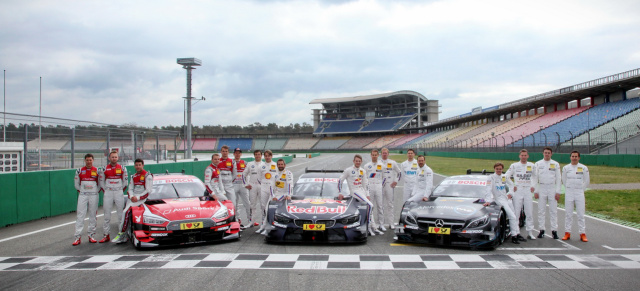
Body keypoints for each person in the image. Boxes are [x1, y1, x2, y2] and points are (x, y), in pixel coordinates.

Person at [112, 159, 152, 244]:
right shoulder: (133, 176)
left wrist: (137, 198)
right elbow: (130, 189)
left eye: (139, 165)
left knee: (126, 213)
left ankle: (121, 234)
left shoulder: (147, 176)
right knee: (124, 213)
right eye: (136, 165)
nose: (138, 167)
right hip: (132, 199)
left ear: (143, 165)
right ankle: (124, 234)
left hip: (142, 200)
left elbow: (148, 191)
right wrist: (131, 196)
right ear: (134, 166)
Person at [483, 162, 524, 244]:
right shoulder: (491, 177)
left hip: (506, 199)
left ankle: (516, 233)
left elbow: (512, 185)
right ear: (494, 169)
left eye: (500, 169)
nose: (499, 170)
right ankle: (514, 236)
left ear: (502, 169)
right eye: (497, 169)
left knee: (514, 216)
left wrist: (510, 194)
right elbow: (488, 189)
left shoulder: (504, 177)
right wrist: (488, 201)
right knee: (512, 216)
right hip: (498, 199)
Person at [339, 154, 376, 236]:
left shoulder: (363, 170)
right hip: (354, 191)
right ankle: (369, 227)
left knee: (369, 207)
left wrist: (367, 194)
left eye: (359, 161)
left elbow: (365, 184)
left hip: (361, 191)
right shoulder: (348, 170)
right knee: (370, 205)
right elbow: (340, 180)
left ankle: (374, 227)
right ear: (353, 161)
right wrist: (340, 192)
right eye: (356, 161)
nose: (358, 162)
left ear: (361, 162)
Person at [505, 149, 537, 240]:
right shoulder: (514, 165)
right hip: (518, 190)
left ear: (528, 156)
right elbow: (506, 176)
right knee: (516, 212)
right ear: (519, 156)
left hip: (527, 190)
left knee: (529, 212)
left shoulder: (532, 165)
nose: (523, 157)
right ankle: (516, 232)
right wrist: (512, 185)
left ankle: (530, 232)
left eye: (525, 155)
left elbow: (535, 176)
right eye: (522, 155)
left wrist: (533, 186)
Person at [98, 150, 128, 243]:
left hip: (119, 192)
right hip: (108, 192)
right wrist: (106, 190)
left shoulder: (123, 168)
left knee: (120, 214)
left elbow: (125, 182)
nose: (114, 158)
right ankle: (106, 235)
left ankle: (122, 235)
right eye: (112, 157)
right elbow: (101, 182)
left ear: (118, 158)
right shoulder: (104, 169)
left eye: (115, 157)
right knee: (107, 214)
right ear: (109, 158)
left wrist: (119, 190)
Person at [72, 153, 102, 246]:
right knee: (80, 215)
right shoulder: (79, 170)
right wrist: (82, 191)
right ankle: (77, 237)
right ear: (84, 160)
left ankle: (91, 235)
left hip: (94, 195)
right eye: (87, 160)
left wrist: (95, 191)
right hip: (83, 195)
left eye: (90, 160)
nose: (89, 161)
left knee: (93, 215)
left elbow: (100, 184)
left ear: (93, 160)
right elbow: (76, 184)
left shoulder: (97, 171)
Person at [562, 150, 590, 242]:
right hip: (569, 192)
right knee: (568, 214)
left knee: (580, 214)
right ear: (570, 157)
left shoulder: (583, 168)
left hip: (579, 193)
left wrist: (581, 189)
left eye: (576, 156)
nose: (574, 158)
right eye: (573, 156)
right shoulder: (566, 168)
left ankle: (582, 233)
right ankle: (567, 233)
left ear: (579, 158)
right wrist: (569, 188)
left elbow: (587, 181)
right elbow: (564, 180)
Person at [534, 147, 561, 239]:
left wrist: (558, 192)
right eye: (545, 153)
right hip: (541, 187)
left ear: (551, 154)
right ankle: (541, 230)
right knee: (541, 210)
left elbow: (558, 179)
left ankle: (554, 230)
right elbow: (535, 179)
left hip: (552, 187)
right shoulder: (538, 164)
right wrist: (536, 191)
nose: (547, 154)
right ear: (543, 153)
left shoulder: (555, 164)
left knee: (553, 210)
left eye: (548, 153)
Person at [260, 159, 293, 235]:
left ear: (284, 165)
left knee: (277, 211)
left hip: (284, 194)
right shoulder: (274, 174)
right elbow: (271, 186)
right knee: (266, 209)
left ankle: (277, 227)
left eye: (282, 164)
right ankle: (265, 227)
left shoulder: (288, 173)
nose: (280, 166)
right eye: (279, 164)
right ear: (277, 165)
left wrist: (288, 195)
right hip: (275, 194)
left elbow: (289, 185)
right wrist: (273, 196)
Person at [256, 150, 277, 234]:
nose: (267, 157)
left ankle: (267, 225)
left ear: (271, 156)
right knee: (263, 207)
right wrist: (264, 184)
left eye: (269, 155)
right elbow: (258, 178)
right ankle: (262, 226)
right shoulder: (261, 166)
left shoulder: (275, 165)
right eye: (266, 156)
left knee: (268, 207)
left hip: (272, 188)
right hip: (263, 187)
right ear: (264, 157)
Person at [380, 147, 401, 230]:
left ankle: (391, 223)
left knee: (390, 205)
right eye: (383, 153)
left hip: (389, 186)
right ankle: (381, 223)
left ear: (388, 154)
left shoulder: (392, 162)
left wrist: (395, 181)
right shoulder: (378, 163)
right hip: (380, 186)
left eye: (386, 153)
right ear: (381, 154)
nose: (384, 154)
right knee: (380, 205)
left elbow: (399, 173)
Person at [363, 149, 384, 234]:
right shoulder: (366, 166)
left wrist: (381, 185)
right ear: (370, 155)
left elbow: (384, 177)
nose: (374, 156)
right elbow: (364, 179)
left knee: (380, 206)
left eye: (376, 155)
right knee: (370, 207)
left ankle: (381, 224)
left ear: (378, 155)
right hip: (370, 187)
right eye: (373, 155)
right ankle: (371, 225)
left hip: (378, 186)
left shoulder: (381, 165)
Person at [242, 150, 264, 228]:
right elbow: (243, 175)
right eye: (256, 154)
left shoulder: (264, 165)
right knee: (252, 205)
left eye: (259, 154)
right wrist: (245, 185)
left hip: (262, 187)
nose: (257, 156)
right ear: (254, 155)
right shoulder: (250, 164)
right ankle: (252, 222)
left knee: (263, 205)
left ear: (261, 155)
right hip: (252, 186)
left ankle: (263, 222)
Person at [232, 148, 251, 229]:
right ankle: (237, 220)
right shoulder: (231, 163)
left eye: (239, 153)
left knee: (247, 203)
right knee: (235, 204)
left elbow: (248, 175)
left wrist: (247, 184)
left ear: (241, 154)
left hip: (243, 186)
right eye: (236, 153)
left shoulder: (245, 163)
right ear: (234, 154)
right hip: (234, 185)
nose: (237, 154)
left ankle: (250, 220)